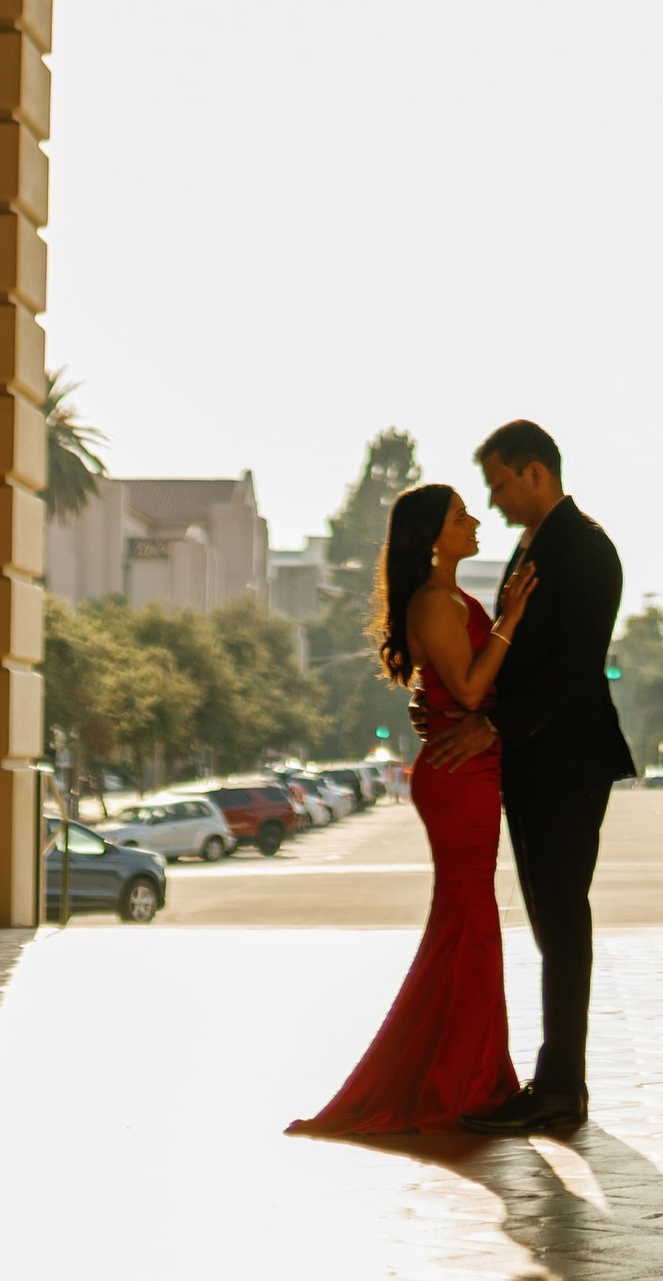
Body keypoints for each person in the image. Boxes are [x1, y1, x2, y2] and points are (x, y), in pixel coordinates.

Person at [289, 479, 535, 1137]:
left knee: (470, 923)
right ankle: (460, 1083)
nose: (475, 519)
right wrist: (511, 617)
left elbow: (472, 685)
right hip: (458, 774)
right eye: (460, 516)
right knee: (469, 921)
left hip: (470, 766)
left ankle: (473, 1075)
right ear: (433, 537)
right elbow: (474, 686)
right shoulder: (434, 603)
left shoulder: (450, 598)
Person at [427, 419, 634, 1137]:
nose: (495, 497)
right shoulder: (536, 545)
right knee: (549, 917)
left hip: (569, 761)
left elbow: (576, 667)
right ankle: (554, 1082)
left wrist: (495, 724)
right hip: (536, 762)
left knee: (562, 914)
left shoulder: (587, 549)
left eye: (500, 481)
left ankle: (561, 1087)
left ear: (536, 472)